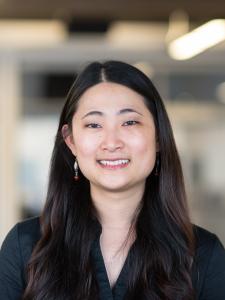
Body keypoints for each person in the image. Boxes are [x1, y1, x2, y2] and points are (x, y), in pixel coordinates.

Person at [0, 61, 225, 300]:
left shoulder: (203, 255)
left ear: (159, 136)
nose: (112, 142)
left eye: (129, 122)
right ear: (71, 141)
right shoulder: (25, 247)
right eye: (94, 124)